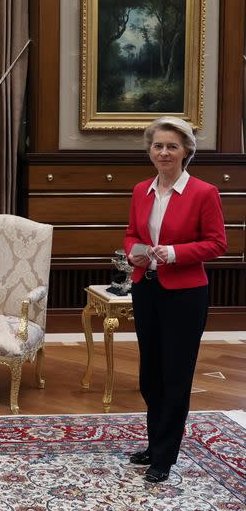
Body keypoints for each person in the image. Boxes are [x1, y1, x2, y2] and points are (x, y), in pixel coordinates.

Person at [124, 116, 226, 483]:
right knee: (150, 375)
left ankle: (164, 457)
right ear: (150, 151)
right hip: (146, 288)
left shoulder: (203, 192)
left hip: (185, 295)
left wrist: (173, 253)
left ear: (186, 152)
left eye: (172, 146)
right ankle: (155, 443)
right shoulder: (140, 190)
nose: (164, 152)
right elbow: (132, 232)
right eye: (158, 146)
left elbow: (217, 244)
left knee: (176, 376)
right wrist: (134, 251)